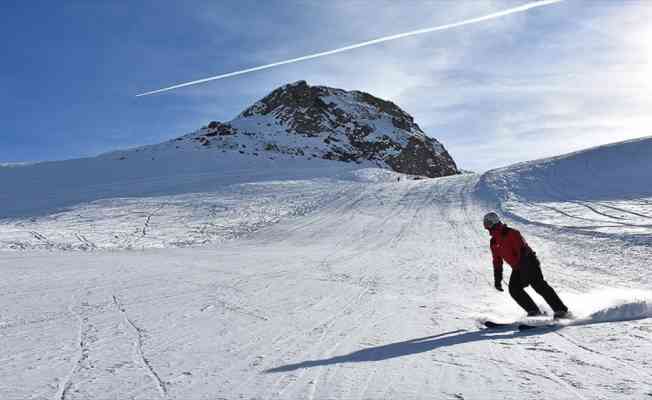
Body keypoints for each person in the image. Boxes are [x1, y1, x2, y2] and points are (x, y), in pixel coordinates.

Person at [483, 212, 569, 318]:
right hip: (517, 267)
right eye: (485, 223)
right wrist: (498, 279)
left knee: (538, 285)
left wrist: (524, 270)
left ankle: (560, 310)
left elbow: (522, 250)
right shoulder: (493, 241)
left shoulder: (511, 233)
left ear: (495, 222)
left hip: (528, 261)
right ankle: (534, 311)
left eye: (488, 222)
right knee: (514, 290)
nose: (486, 225)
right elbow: (497, 261)